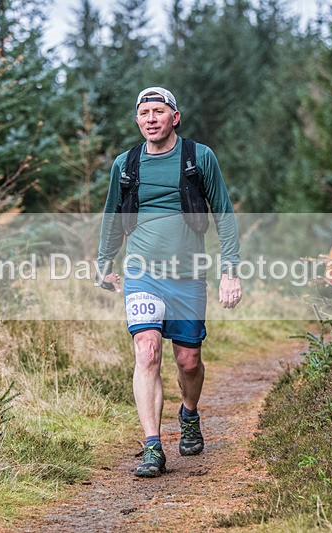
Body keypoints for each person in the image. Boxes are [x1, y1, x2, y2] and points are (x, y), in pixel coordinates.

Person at [97, 87, 242, 477]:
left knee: (188, 360)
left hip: (188, 276)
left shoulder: (199, 158)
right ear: (138, 120)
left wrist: (231, 271)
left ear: (174, 117)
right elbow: (112, 216)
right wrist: (103, 264)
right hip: (141, 275)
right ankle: (152, 446)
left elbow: (224, 214)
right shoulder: (125, 164)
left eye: (158, 111)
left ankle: (189, 414)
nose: (151, 119)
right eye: (144, 112)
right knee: (147, 352)